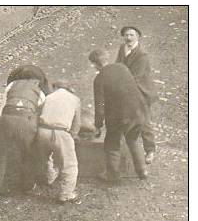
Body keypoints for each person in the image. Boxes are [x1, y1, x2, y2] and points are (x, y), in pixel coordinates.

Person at [0, 65, 48, 198]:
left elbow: (3, 107)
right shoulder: (40, 90)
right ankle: (27, 186)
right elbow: (41, 112)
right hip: (26, 122)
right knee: (28, 154)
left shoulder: (11, 85)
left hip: (6, 120)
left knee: (0, 155)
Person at [89, 49, 149, 181]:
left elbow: (100, 106)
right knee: (132, 140)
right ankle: (142, 170)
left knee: (112, 143)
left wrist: (98, 126)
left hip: (120, 117)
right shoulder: (122, 67)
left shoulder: (99, 79)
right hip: (138, 111)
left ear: (94, 64)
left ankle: (112, 175)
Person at [116, 26, 158, 164]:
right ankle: (124, 150)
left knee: (144, 121)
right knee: (124, 118)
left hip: (142, 91)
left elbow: (136, 77)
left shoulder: (142, 54)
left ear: (137, 37)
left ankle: (150, 151)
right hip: (127, 90)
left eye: (131, 35)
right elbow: (118, 66)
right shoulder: (123, 49)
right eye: (126, 35)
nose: (128, 38)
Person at [37, 81, 81, 203]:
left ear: (55, 87)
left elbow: (38, 113)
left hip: (43, 130)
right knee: (69, 165)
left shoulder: (49, 97)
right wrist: (72, 136)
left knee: (46, 158)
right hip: (61, 132)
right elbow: (77, 123)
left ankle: (49, 178)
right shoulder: (75, 99)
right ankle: (66, 194)